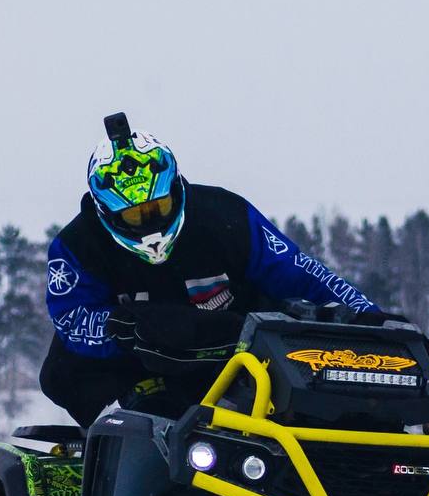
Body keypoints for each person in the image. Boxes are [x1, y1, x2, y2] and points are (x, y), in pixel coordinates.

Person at [39, 113, 385, 427]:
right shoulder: (76, 246)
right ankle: (108, 455)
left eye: (160, 206)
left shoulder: (225, 216)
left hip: (237, 355)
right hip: (139, 368)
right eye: (134, 215)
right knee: (61, 373)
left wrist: (373, 319)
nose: (151, 223)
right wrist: (118, 327)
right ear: (105, 211)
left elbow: (303, 272)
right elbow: (70, 319)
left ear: (176, 189)